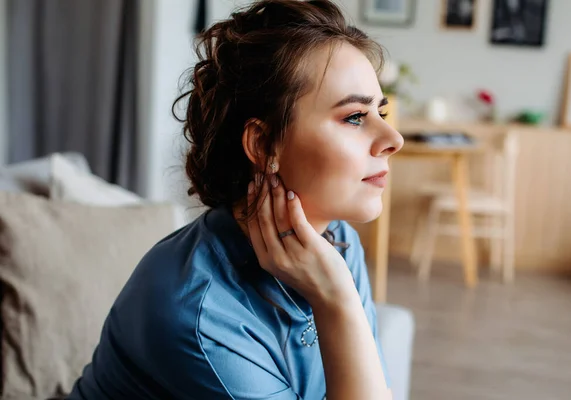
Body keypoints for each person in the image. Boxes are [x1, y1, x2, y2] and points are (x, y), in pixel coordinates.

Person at [68, 0, 403, 399]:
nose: (392, 140)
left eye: (380, 112)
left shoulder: (337, 245)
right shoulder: (198, 316)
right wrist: (337, 302)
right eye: (354, 117)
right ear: (262, 144)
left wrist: (339, 297)